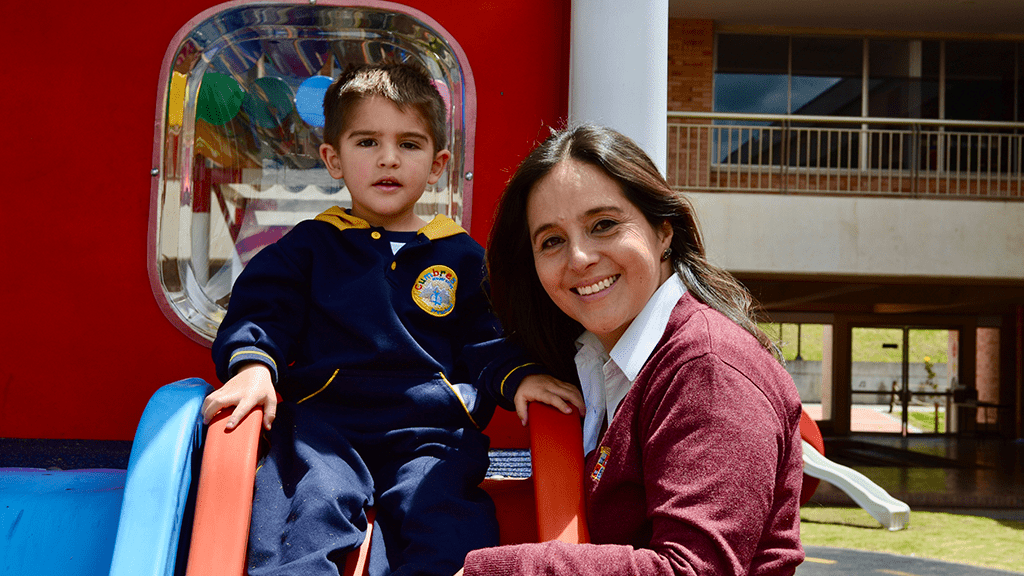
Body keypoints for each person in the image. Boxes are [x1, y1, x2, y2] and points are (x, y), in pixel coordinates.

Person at [202, 62, 582, 576]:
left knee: (444, 519)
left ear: (437, 163)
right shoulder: (311, 246)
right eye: (366, 143)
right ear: (333, 159)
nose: (388, 158)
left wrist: (521, 377)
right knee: (308, 505)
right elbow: (265, 310)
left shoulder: (461, 257)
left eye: (409, 144)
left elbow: (487, 337)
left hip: (429, 431)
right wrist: (253, 367)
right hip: (326, 423)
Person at [464, 124, 805, 576]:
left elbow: (693, 570)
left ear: (664, 232)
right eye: (552, 241)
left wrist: (494, 571)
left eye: (603, 225)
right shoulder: (593, 362)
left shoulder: (708, 368)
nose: (579, 258)